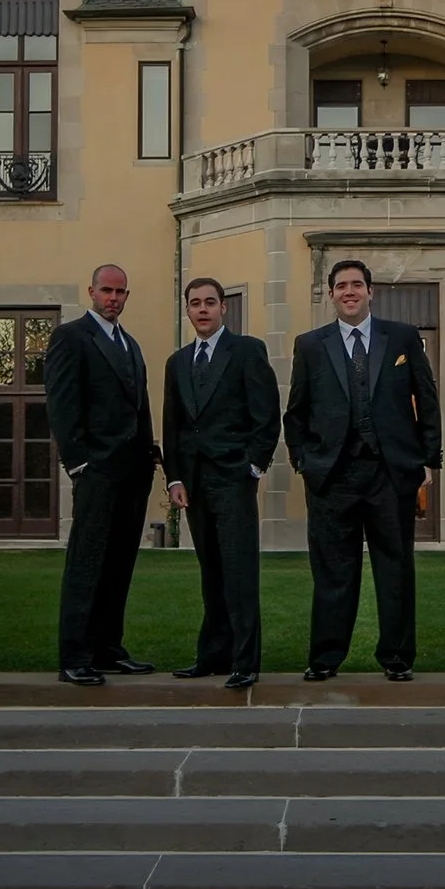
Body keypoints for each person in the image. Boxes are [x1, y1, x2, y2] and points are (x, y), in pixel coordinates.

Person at [281, 258, 441, 681]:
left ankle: (397, 658)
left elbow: (427, 401)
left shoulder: (402, 337)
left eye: (357, 284)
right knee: (333, 571)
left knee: (395, 569)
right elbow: (295, 412)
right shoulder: (311, 344)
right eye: (340, 286)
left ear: (371, 291)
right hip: (332, 477)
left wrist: (429, 459)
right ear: (331, 294)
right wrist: (304, 462)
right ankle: (325, 658)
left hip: (390, 474)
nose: (349, 291)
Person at [42, 263, 160, 686]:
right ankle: (75, 655)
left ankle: (109, 649)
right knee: (87, 563)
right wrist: (78, 464)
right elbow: (61, 404)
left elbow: (140, 408)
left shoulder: (131, 345)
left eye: (120, 292)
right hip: (97, 472)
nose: (113, 298)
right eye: (106, 291)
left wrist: (150, 457)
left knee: (119, 564)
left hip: (133, 474)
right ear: (91, 291)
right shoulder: (71, 337)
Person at [161, 276, 279, 689]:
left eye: (210, 302)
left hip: (233, 479)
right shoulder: (177, 363)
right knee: (210, 572)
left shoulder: (247, 351)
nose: (203, 309)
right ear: (188, 310)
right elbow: (172, 426)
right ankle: (212, 656)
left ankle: (245, 662)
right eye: (195, 303)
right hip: (193, 484)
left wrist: (253, 467)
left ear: (223, 307)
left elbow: (266, 415)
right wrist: (174, 478)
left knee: (239, 572)